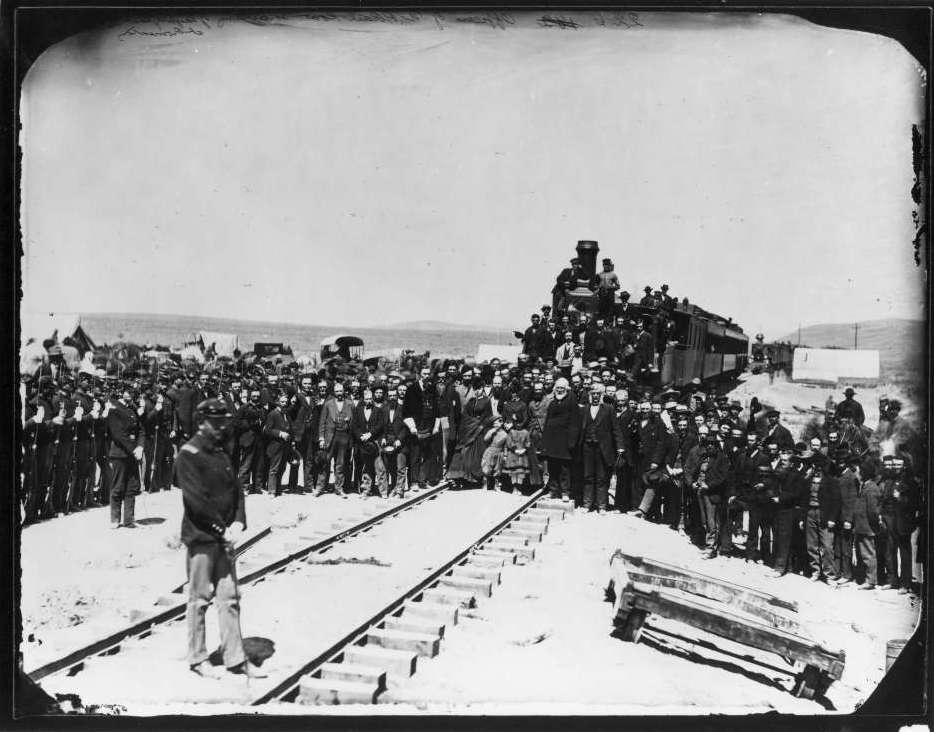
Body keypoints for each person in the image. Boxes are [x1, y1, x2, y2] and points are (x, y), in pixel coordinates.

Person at [174, 399, 259, 679]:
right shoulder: (189, 454)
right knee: (199, 599)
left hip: (225, 537)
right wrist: (223, 531)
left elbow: (237, 490)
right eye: (216, 423)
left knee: (230, 597)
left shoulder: (221, 452)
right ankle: (198, 658)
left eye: (224, 422)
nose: (222, 427)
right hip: (202, 539)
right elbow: (196, 502)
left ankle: (235, 657)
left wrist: (238, 521)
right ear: (202, 422)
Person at [107, 386, 145, 528]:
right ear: (121, 393)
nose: (129, 394)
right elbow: (118, 435)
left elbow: (141, 430)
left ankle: (129, 520)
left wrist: (141, 446)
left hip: (133, 453)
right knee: (118, 486)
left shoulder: (133, 410)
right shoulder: (114, 410)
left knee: (132, 486)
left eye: (132, 393)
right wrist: (134, 448)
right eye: (126, 392)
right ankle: (115, 519)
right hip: (120, 453)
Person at [541, 377, 581, 502]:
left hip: (565, 441)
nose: (559, 390)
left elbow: (575, 423)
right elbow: (547, 422)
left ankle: (565, 492)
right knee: (553, 467)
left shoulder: (571, 401)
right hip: (552, 441)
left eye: (562, 388)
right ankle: (553, 491)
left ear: (566, 389)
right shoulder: (552, 403)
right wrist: (545, 441)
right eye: (557, 388)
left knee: (564, 468)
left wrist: (572, 441)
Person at [318, 382, 354, 496]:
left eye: (341, 391)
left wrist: (349, 421)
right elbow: (322, 422)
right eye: (337, 391)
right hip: (330, 437)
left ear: (344, 392)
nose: (339, 393)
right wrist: (321, 438)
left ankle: (339, 488)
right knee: (325, 462)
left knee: (340, 464)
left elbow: (354, 423)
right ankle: (320, 487)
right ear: (334, 392)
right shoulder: (328, 404)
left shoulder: (350, 404)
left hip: (343, 436)